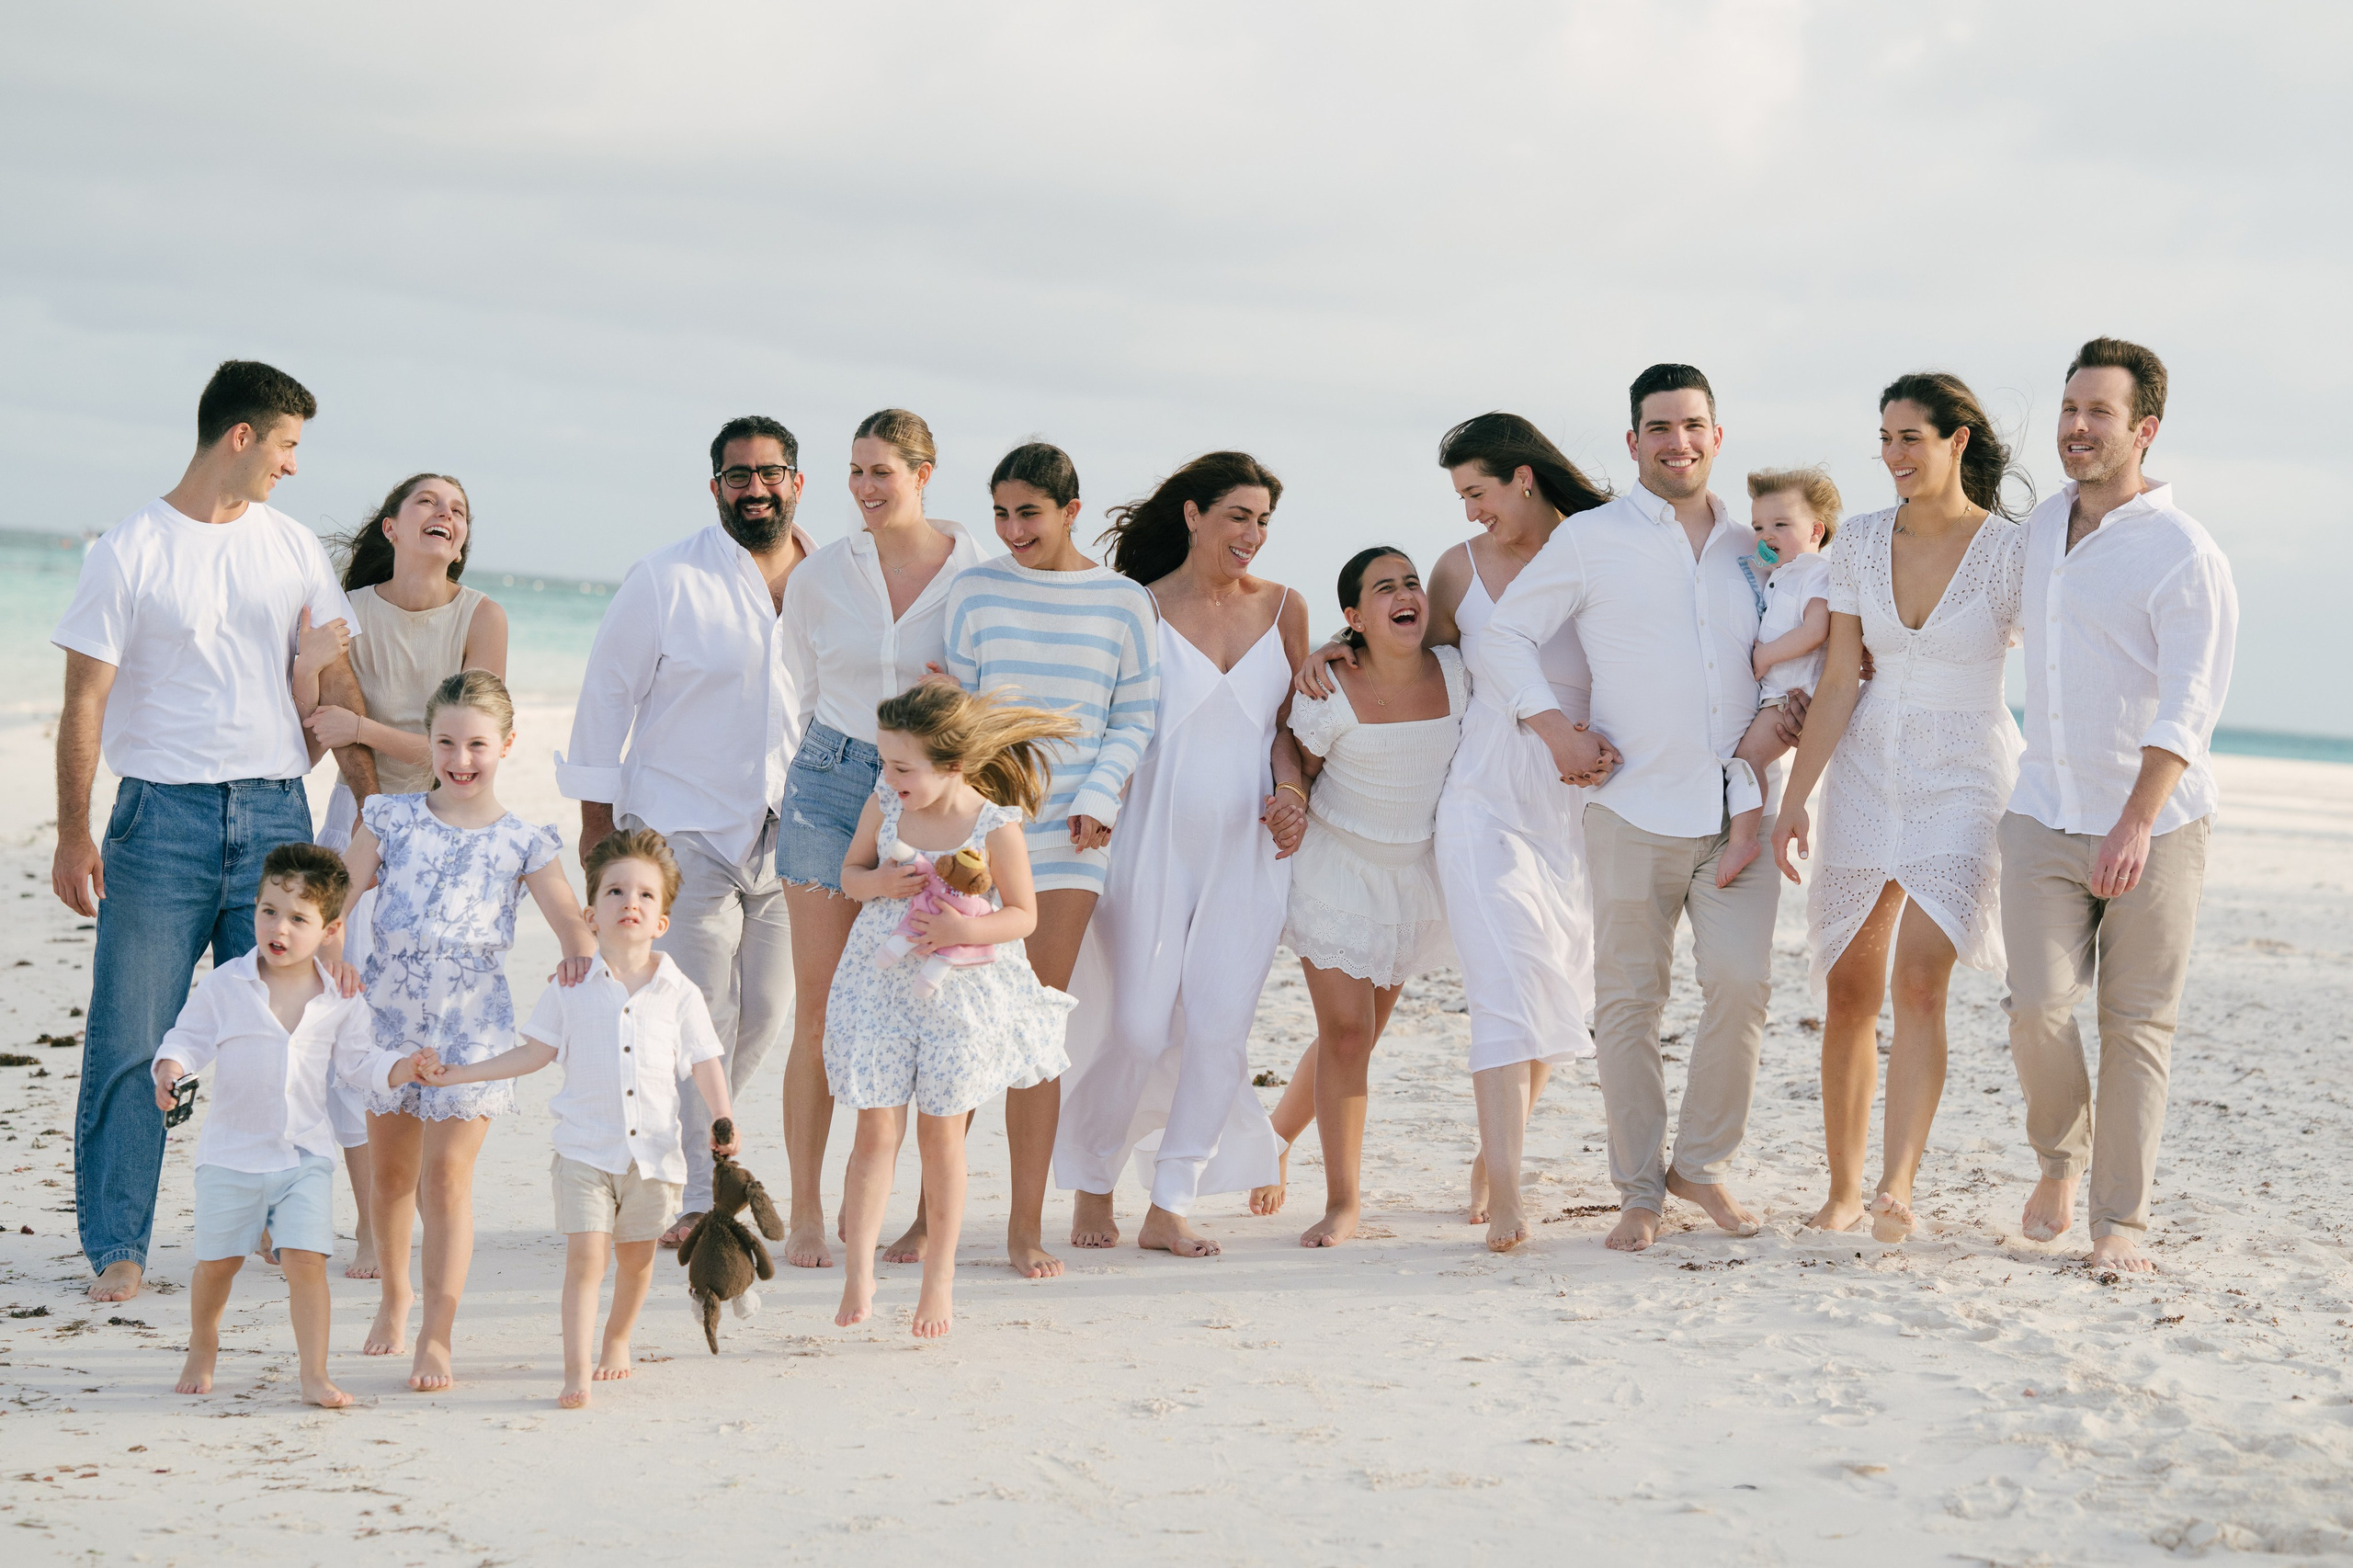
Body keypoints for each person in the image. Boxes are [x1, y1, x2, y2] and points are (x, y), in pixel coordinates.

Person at [51, 358, 375, 1305]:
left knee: (281, 1030)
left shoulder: (291, 548)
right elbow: (83, 705)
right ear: (241, 437)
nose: (293, 465)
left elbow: (338, 686)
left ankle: (276, 1220)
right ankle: (118, 1242)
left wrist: (374, 804)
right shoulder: (128, 550)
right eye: (286, 445)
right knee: (133, 1037)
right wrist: (77, 834)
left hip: (276, 812)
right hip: (160, 820)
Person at [1483, 365, 1797, 1255]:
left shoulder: (1755, 545)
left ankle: (1699, 1164)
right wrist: (1553, 730)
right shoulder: (1589, 538)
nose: (1677, 441)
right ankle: (1636, 1190)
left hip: (1737, 811)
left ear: (1716, 435)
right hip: (1628, 807)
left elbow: (1794, 648)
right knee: (1627, 1002)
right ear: (1632, 442)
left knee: (1741, 986)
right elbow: (1501, 633)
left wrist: (1790, 711)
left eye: (1693, 424)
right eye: (1658, 427)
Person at [1772, 377, 2029, 1242]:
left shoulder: (2010, 553)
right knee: (1849, 987)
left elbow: (2070, 657)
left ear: (1959, 441)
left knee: (1920, 979)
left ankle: (1897, 1186)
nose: (1894, 456)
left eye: (1911, 438)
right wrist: (1794, 799)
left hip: (1963, 775)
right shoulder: (1859, 543)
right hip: (1866, 772)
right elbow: (1841, 678)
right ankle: (1843, 1189)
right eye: (1884, 439)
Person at [2000, 337, 2236, 1273]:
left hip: (2157, 821)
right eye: (2068, 407)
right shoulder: (2032, 533)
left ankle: (2120, 1223)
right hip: (2042, 808)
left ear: (2144, 429)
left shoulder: (2183, 552)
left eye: (2098, 412)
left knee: (2137, 1022)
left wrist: (2135, 819)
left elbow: (2191, 702)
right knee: (2036, 1008)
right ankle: (2060, 1157)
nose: (2075, 426)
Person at [560, 415, 814, 1250]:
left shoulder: (833, 584)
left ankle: (664, 1152)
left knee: (768, 1012)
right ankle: (698, 1194)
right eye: (737, 476)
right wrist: (600, 835)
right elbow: (606, 700)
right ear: (716, 488)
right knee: (702, 1014)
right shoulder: (666, 579)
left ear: (796, 483)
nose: (755, 489)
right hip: (681, 830)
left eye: (770, 473)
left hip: (793, 832)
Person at [909, 441, 1159, 1278]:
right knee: (961, 1027)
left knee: (1033, 1024)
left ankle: (1023, 1229)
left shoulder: (1123, 601)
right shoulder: (975, 592)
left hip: (1076, 837)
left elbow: (1136, 712)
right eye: (1002, 514)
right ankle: (927, 1218)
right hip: (988, 830)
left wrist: (1103, 793)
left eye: (1030, 513)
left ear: (1071, 511)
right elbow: (969, 719)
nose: (1014, 530)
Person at [1052, 451, 1310, 1258]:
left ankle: (1171, 1198)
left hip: (1251, 846)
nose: (1254, 535)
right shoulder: (1133, 606)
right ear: (1193, 515)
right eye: (1239, 516)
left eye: (1264, 520)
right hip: (1147, 840)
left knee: (1218, 1029)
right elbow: (1090, 716)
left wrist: (1294, 793)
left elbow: (1290, 731)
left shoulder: (1284, 607)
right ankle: (1093, 1175)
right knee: (1132, 1027)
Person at [416, 829, 740, 1407]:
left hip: (655, 1159)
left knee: (637, 1262)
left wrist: (723, 1114)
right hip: (584, 1154)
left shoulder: (678, 991)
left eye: (645, 895)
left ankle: (618, 1339)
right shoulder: (569, 988)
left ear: (662, 920)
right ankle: (576, 1368)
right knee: (587, 1258)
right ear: (591, 915)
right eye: (616, 892)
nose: (630, 903)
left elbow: (706, 1059)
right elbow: (533, 1054)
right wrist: (460, 1074)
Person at [340, 670, 596, 1391]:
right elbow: (341, 895)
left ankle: (437, 1335)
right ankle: (395, 1298)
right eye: (446, 742)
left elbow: (571, 922)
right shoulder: (389, 818)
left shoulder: (526, 841)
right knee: (391, 1178)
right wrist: (328, 954)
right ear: (427, 742)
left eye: (477, 744)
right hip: (389, 1025)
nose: (460, 759)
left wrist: (583, 957)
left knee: (446, 1180)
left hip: (471, 1037)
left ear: (506, 745)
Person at [776, 410, 984, 1268]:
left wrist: (962, 697)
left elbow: (996, 690)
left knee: (942, 1005)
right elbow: (803, 679)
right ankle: (805, 1212)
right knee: (822, 1009)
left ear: (924, 472)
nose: (865, 488)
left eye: (882, 472)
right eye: (855, 471)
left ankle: (926, 1217)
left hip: (935, 790)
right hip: (831, 779)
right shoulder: (820, 575)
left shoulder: (978, 574)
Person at [296, 470, 508, 1278]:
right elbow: (314, 726)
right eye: (428, 502)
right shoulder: (347, 616)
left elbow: (474, 746)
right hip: (357, 824)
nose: (445, 515)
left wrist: (364, 727)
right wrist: (329, 697)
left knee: (429, 1024)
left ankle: (418, 1206)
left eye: (459, 508)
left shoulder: (481, 617)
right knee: (346, 1018)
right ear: (390, 526)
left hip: (451, 837)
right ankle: (357, 1220)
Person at [826, 685, 1081, 1335]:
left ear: (953, 766)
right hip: (881, 989)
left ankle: (938, 1281)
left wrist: (964, 931)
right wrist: (880, 883)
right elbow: (850, 876)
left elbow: (1023, 916)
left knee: (941, 1138)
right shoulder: (884, 806)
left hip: (957, 1000)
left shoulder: (995, 824)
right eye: (886, 762)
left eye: (903, 767)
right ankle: (860, 1269)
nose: (891, 777)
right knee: (875, 1133)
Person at [150, 844, 428, 1407]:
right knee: (218, 1264)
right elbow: (189, 1037)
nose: (278, 927)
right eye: (268, 910)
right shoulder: (227, 984)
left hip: (305, 1156)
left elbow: (359, 1066)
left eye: (298, 919)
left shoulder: (340, 1000)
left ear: (329, 928)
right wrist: (171, 1068)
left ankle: (314, 1373)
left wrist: (403, 1068)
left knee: (306, 1263)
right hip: (231, 1154)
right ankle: (203, 1343)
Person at [1256, 548, 1465, 1247]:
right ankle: (1343, 1201)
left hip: (1413, 877)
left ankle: (1273, 1136)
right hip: (1337, 866)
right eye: (1385, 589)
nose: (1405, 594)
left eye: (1411, 583)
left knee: (1360, 1036)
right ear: (1354, 616)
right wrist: (1287, 794)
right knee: (1346, 1036)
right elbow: (1293, 752)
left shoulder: (1461, 676)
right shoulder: (1333, 688)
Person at [1719, 470, 1837, 888]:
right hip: (1774, 696)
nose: (1766, 535)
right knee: (1744, 760)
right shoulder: (1783, 574)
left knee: (1747, 760)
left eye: (1780, 525)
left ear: (1816, 531)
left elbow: (1816, 629)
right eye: (1758, 527)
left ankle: (1744, 840)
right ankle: (1743, 834)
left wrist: (1765, 654)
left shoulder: (1815, 572)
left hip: (1787, 699)